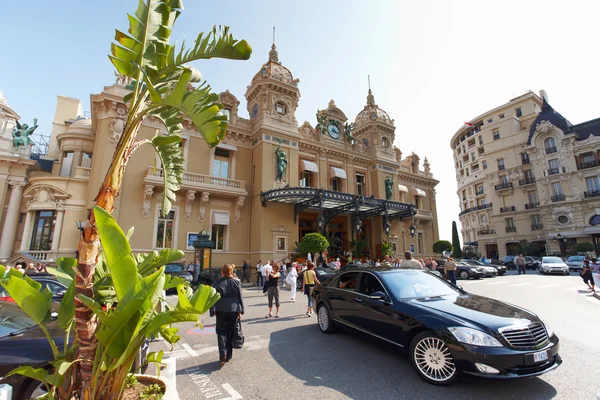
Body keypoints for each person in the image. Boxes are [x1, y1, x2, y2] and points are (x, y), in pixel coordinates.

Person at [210, 264, 244, 367]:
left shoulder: (216, 283)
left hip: (220, 309)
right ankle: (229, 355)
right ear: (231, 271)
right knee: (230, 332)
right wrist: (240, 310)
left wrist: (213, 310)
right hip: (233, 309)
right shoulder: (236, 282)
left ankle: (222, 355)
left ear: (222, 272)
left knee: (220, 332)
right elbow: (240, 297)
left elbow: (212, 297)